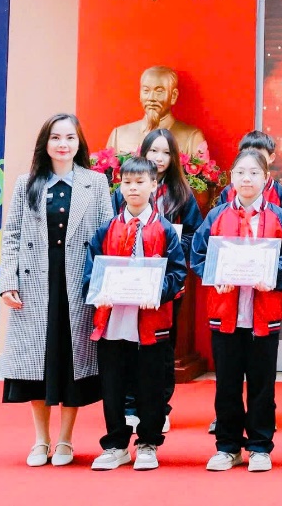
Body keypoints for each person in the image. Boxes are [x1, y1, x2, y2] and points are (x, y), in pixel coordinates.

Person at [0, 114, 113, 468]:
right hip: (35, 283)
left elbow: (107, 236)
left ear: (80, 143)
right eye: (55, 137)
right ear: (44, 143)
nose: (63, 144)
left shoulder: (96, 183)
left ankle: (65, 439)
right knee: (38, 361)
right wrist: (8, 282)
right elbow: (11, 235)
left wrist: (106, 284)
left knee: (71, 359)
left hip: (78, 283)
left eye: (70, 138)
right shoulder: (27, 183)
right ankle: (40, 440)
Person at [191, 148, 282, 472]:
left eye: (254, 173)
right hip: (225, 311)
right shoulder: (217, 216)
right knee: (226, 384)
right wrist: (216, 276)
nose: (247, 179)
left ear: (266, 179)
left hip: (264, 314)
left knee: (262, 384)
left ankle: (259, 447)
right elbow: (198, 254)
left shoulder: (280, 218)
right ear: (231, 178)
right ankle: (227, 447)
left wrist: (273, 277)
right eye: (240, 173)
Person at [85, 157, 189, 471]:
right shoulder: (107, 229)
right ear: (119, 187)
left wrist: (156, 293)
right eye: (127, 182)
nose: (133, 188)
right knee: (113, 386)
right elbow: (91, 271)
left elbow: (177, 273)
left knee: (151, 385)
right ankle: (116, 444)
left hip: (151, 322)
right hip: (113, 322)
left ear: (154, 185)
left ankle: (148, 443)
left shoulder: (165, 230)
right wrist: (99, 290)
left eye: (140, 182)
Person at [127, 127, 205, 433]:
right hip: (131, 281)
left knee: (162, 348)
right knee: (130, 343)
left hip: (168, 283)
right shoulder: (128, 189)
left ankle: (160, 406)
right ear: (143, 153)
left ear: (174, 158)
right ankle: (130, 405)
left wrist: (171, 252)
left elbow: (195, 234)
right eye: (153, 151)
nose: (159, 158)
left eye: (166, 152)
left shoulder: (182, 194)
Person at [216, 131, 282, 216]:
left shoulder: (281, 194)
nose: (252, 158)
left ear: (271, 158)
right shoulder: (228, 192)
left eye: (258, 155)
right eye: (247, 153)